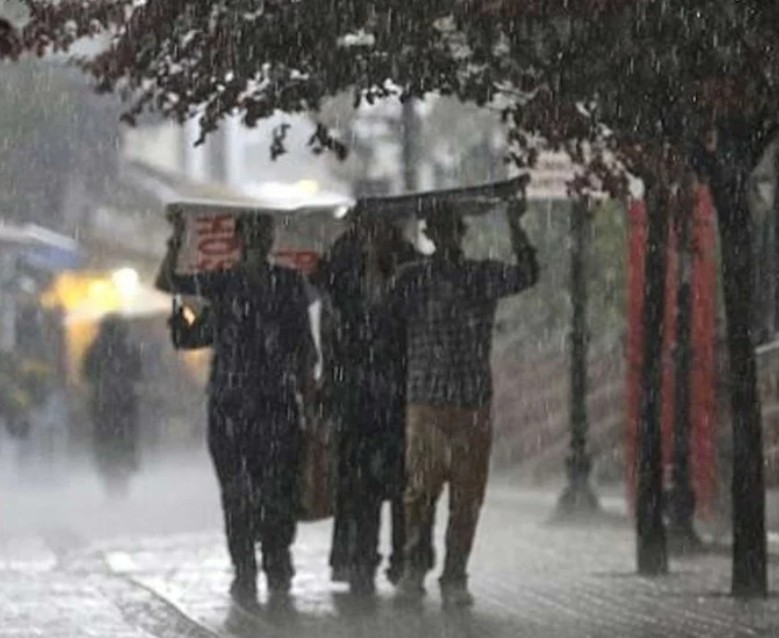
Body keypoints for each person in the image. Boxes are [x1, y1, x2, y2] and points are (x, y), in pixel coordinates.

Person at [157, 212, 318, 605]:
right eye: (253, 233)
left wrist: (310, 402)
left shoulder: (289, 283)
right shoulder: (223, 283)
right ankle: (245, 566)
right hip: (231, 405)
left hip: (276, 405)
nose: (259, 239)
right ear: (241, 239)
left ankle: (276, 561)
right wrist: (177, 240)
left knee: (278, 490)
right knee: (237, 492)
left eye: (265, 232)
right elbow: (169, 283)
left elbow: (303, 350)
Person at [392, 199, 539, 608]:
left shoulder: (481, 276)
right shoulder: (411, 279)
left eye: (450, 229)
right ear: (430, 234)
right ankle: (414, 567)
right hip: (427, 400)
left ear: (459, 232)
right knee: (419, 492)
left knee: (466, 496)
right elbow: (379, 312)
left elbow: (528, 274)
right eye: (436, 229)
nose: (444, 237)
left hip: (470, 400)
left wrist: (516, 226)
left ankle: (454, 574)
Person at [315, 211, 427, 596]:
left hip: (396, 391)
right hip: (356, 392)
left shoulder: (407, 261)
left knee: (400, 483)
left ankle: (403, 558)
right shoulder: (342, 261)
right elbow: (332, 319)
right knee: (358, 484)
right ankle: (360, 559)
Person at [81, 314, 143, 498]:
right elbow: (139, 374)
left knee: (106, 445)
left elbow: (86, 375)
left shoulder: (94, 349)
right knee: (124, 444)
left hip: (103, 405)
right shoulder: (130, 348)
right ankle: (122, 484)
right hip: (125, 404)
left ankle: (110, 485)